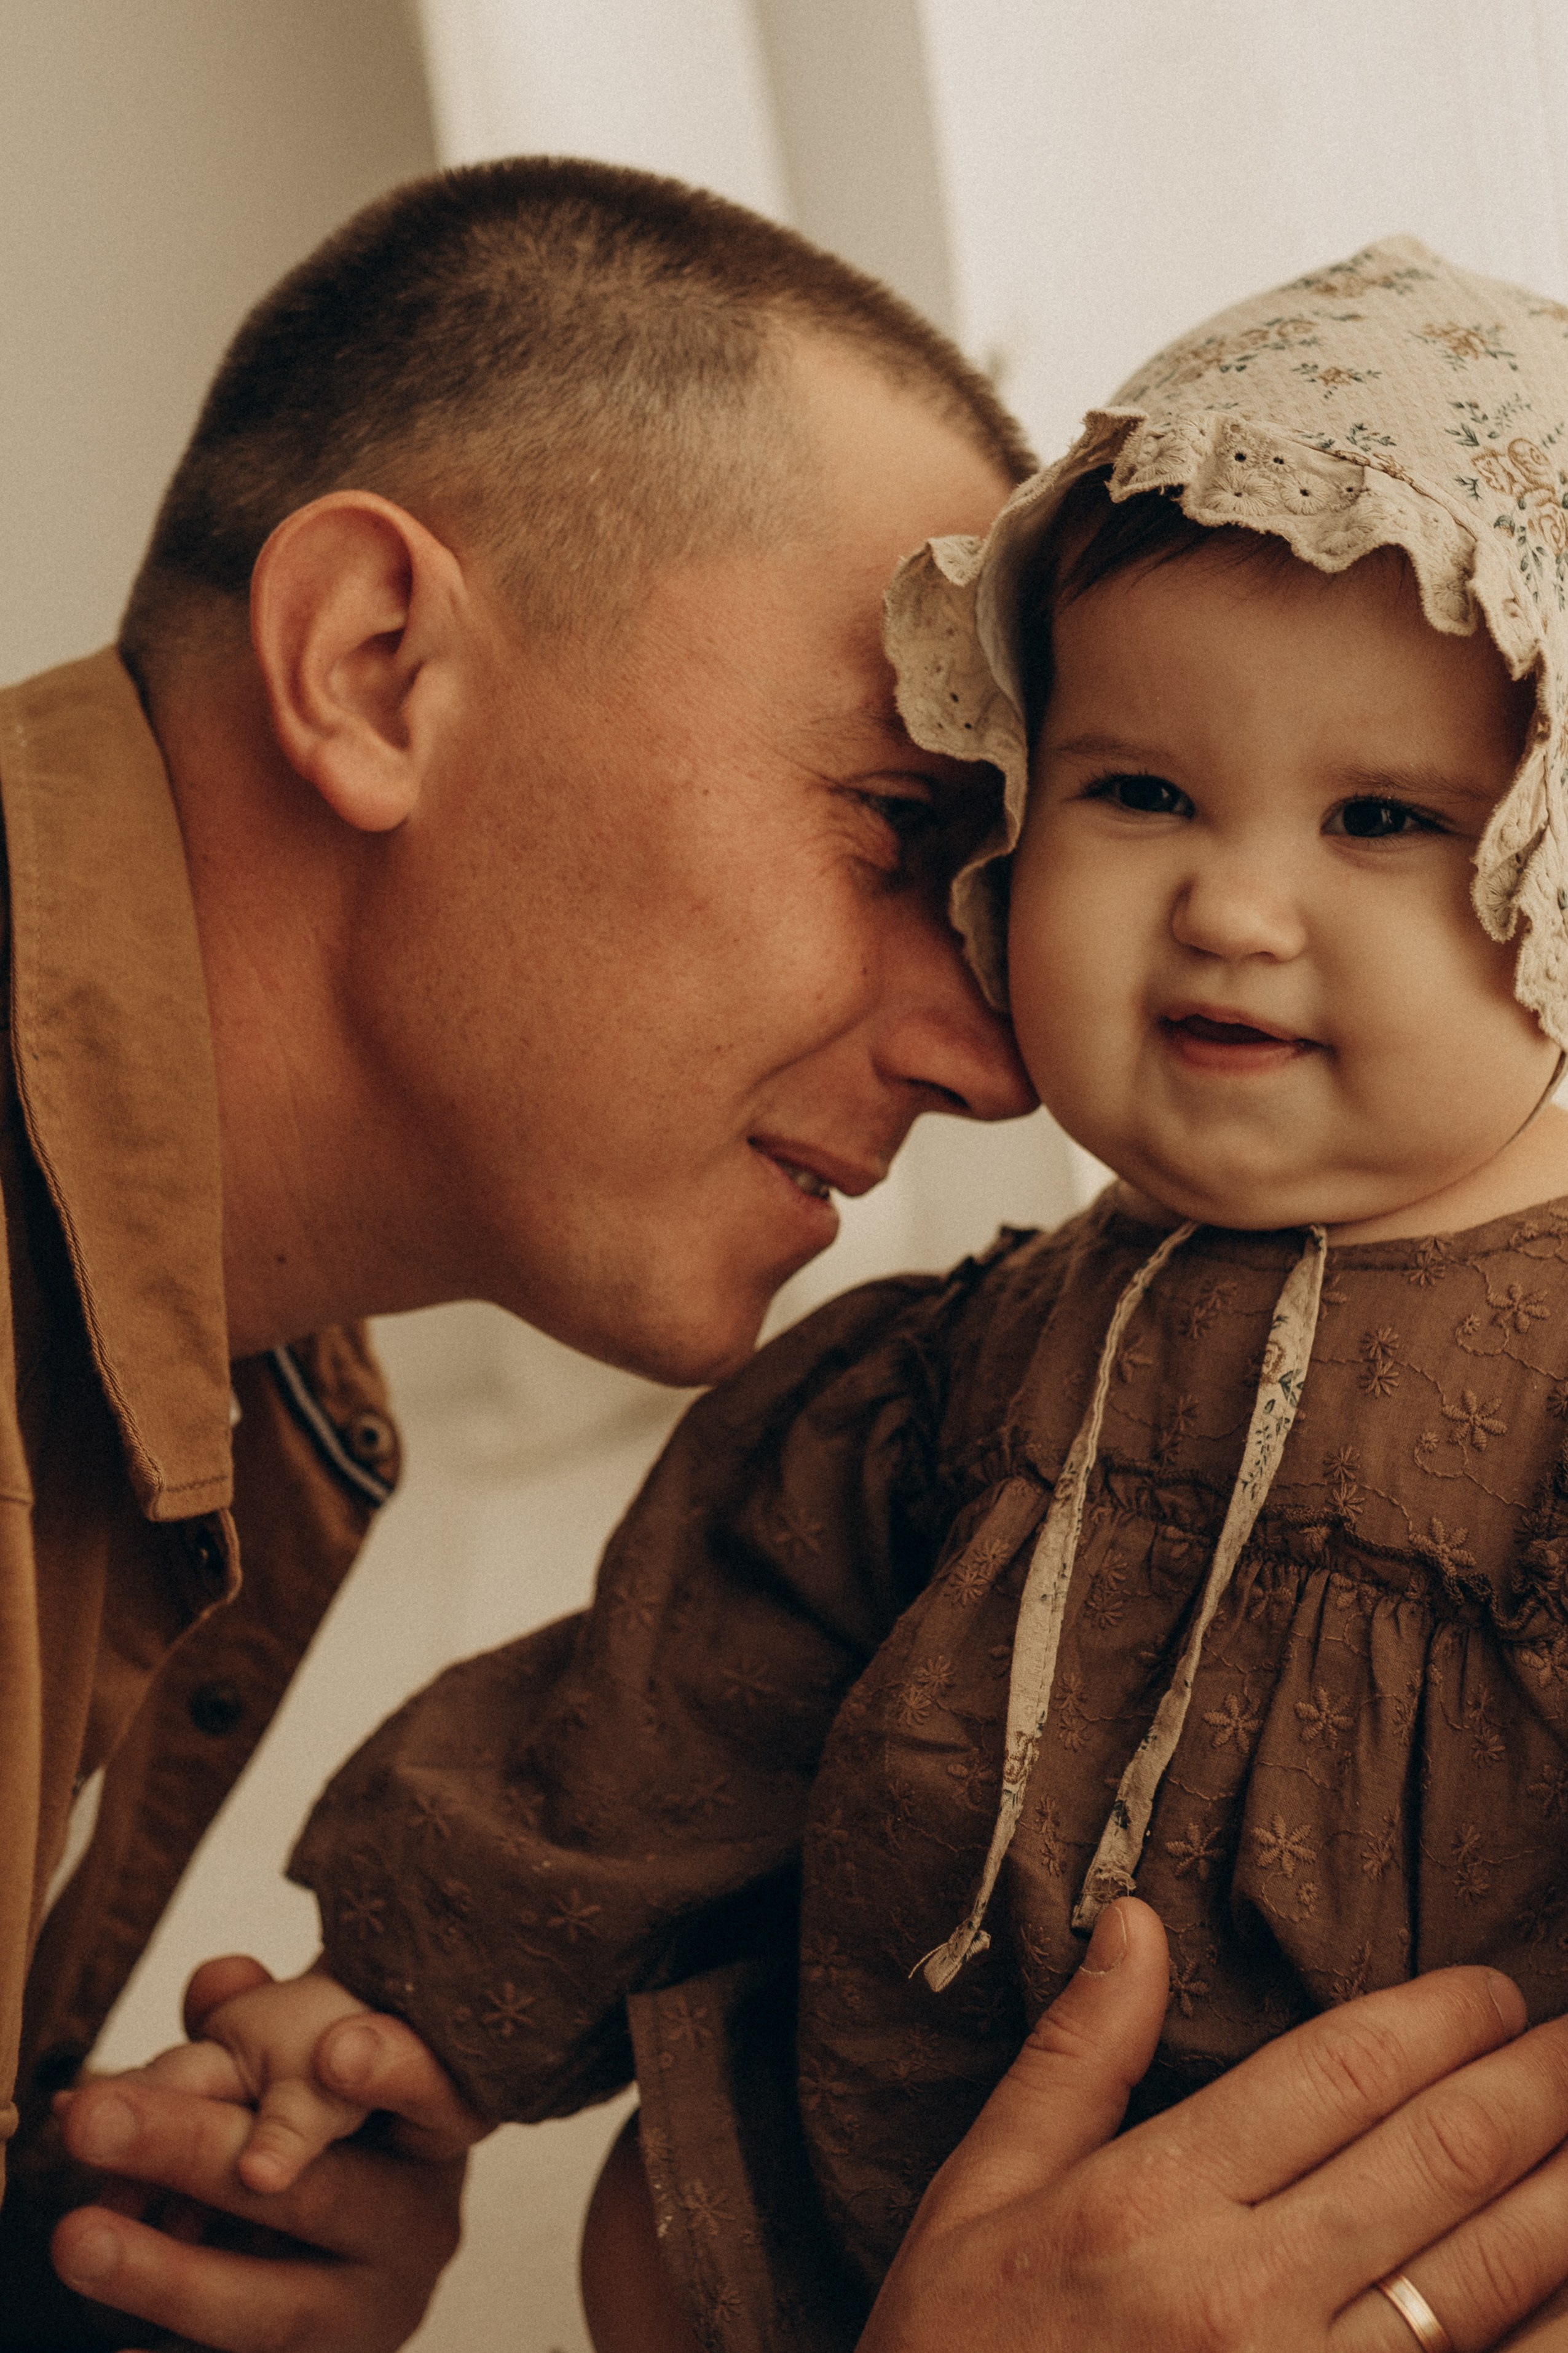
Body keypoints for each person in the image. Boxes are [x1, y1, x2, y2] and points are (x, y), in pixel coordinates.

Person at [154, 235, 1568, 2353]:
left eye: (1383, 816)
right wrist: (420, 1999)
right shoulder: (971, 1366)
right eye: (1134, 792)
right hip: (840, 2245)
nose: (1235, 907)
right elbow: (684, 1685)